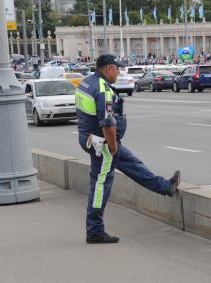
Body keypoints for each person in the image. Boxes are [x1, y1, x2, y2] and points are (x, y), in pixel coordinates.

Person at [76, 54, 181, 244]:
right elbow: (107, 123)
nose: (119, 72)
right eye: (117, 68)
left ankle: (166, 187)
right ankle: (94, 231)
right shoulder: (103, 90)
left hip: (91, 139)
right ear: (108, 68)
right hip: (104, 144)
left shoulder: (85, 83)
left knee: (132, 164)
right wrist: (113, 147)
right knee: (100, 185)